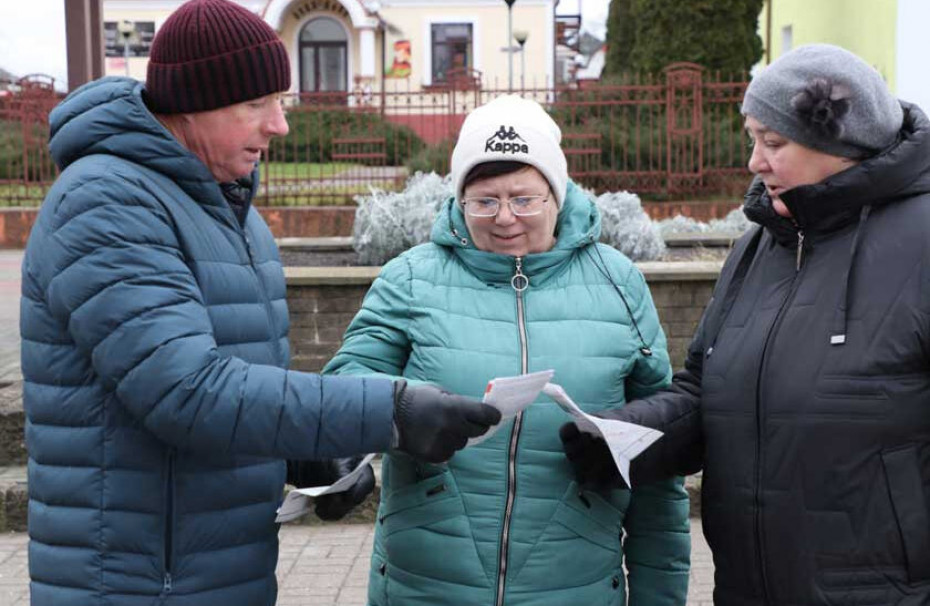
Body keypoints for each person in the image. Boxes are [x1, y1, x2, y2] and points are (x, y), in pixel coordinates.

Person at [19, 1, 500, 605]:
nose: (281, 126)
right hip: (138, 581)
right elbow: (188, 392)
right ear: (192, 102)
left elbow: (240, 382)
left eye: (281, 102)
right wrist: (392, 409)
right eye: (258, 105)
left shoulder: (228, 210)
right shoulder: (106, 202)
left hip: (216, 569)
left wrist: (304, 457)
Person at [560, 43, 930, 606]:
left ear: (840, 143)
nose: (755, 161)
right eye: (752, 138)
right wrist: (621, 439)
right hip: (748, 587)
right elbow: (706, 391)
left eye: (773, 142)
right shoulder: (759, 244)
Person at [324, 94, 691, 606]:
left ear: (556, 194)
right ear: (460, 199)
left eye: (524, 198)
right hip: (426, 586)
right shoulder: (408, 278)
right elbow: (346, 383)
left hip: (574, 585)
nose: (504, 218)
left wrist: (661, 595)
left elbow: (657, 454)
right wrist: (395, 407)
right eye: (484, 200)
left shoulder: (619, 283)